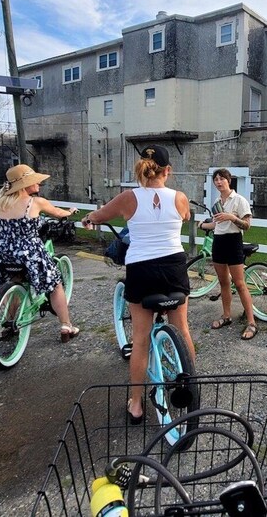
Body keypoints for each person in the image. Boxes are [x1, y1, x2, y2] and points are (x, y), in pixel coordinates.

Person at [81, 145, 193, 423]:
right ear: (168, 171)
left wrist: (89, 219)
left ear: (141, 170)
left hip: (142, 270)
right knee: (182, 328)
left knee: (141, 339)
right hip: (174, 269)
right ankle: (191, 384)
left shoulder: (127, 198)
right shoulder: (180, 198)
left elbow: (98, 216)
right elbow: (186, 217)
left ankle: (135, 404)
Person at [0, 164, 80, 342]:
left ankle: (9, 322)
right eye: (34, 181)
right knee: (55, 285)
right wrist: (70, 212)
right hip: (29, 251)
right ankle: (66, 325)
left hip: (2, 251)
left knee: (15, 281)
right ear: (24, 184)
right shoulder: (35, 202)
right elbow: (58, 213)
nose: (38, 184)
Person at [199, 168, 258, 340]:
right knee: (224, 282)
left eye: (221, 179)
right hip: (219, 242)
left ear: (228, 180)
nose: (218, 182)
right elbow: (217, 225)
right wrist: (203, 225)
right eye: (215, 179)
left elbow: (247, 225)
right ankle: (226, 316)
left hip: (233, 242)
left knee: (239, 284)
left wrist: (232, 217)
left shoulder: (239, 200)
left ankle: (252, 322)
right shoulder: (217, 201)